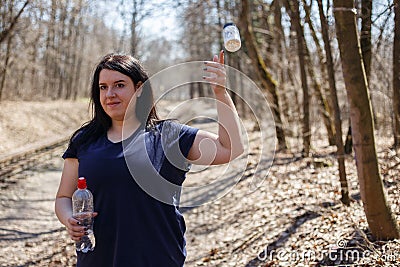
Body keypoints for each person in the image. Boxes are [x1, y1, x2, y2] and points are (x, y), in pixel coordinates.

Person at [55, 50, 244, 266]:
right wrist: (69, 219)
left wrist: (220, 93)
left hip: (158, 259)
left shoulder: (170, 136)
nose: (110, 94)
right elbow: (63, 197)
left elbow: (230, 148)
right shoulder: (84, 141)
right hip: (98, 259)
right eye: (103, 87)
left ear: (139, 88)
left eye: (119, 85)